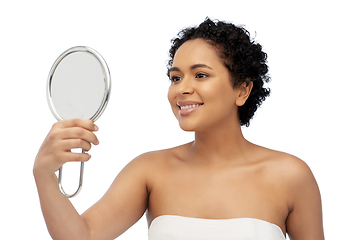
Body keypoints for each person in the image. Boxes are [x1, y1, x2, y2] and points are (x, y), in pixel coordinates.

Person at [34, 18, 325, 240]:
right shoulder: (149, 171)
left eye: (200, 75)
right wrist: (45, 175)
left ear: (243, 89)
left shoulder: (291, 176)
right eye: (175, 78)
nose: (182, 88)